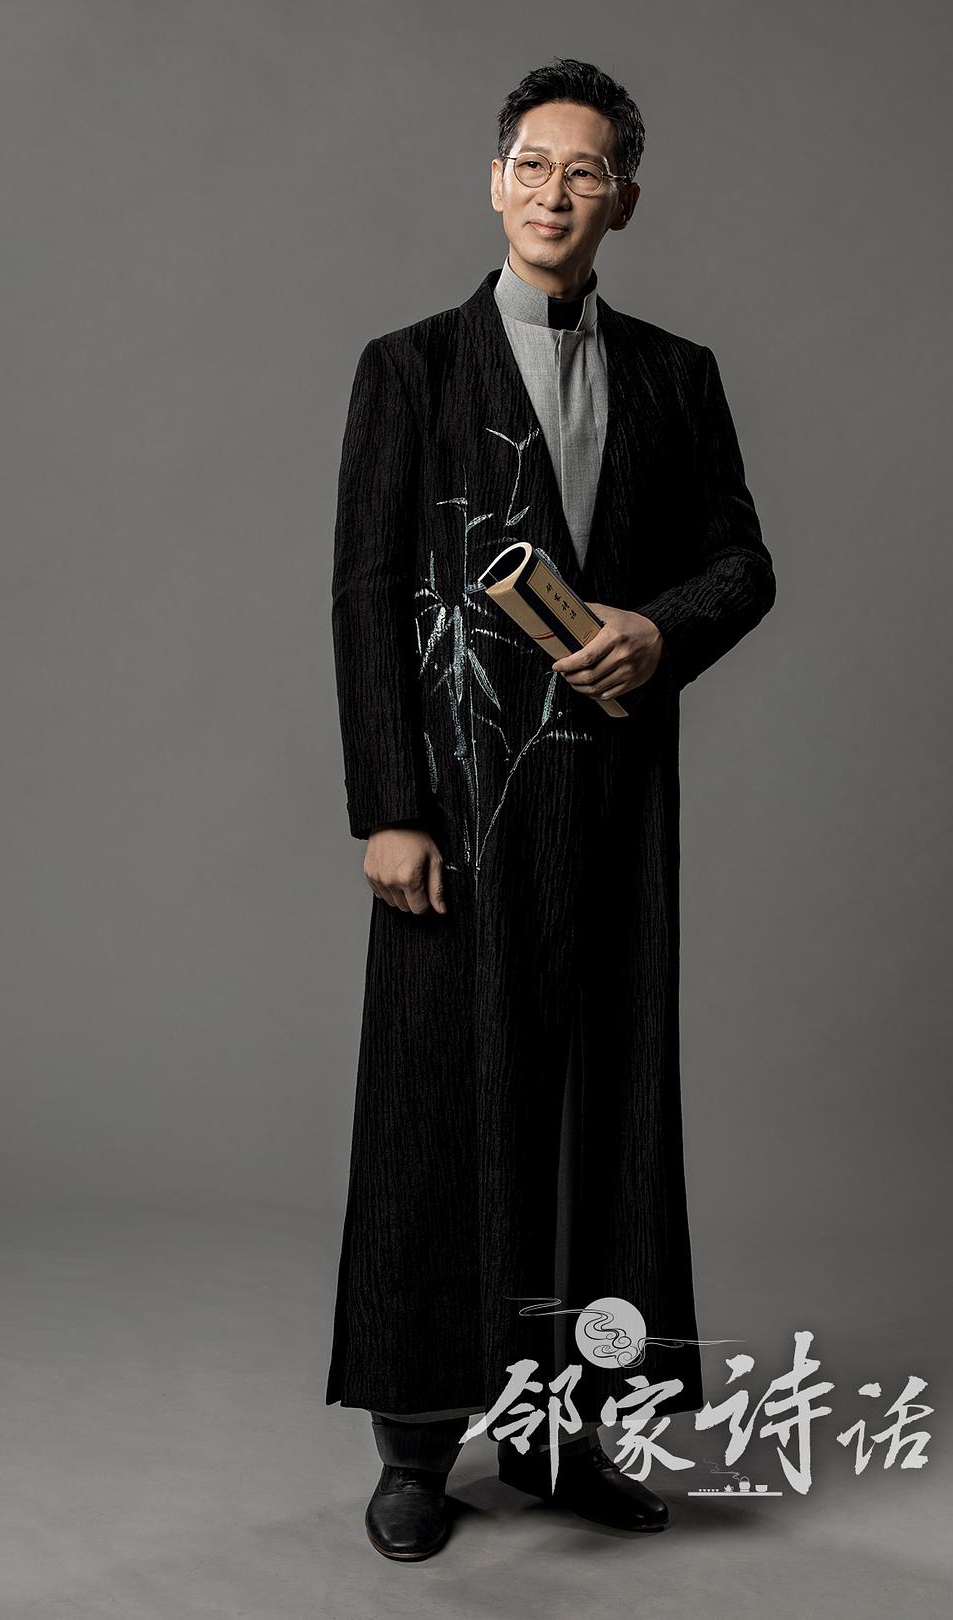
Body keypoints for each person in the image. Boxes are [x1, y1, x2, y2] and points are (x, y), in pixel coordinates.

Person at [328, 57, 777, 1561]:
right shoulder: (409, 369)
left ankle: (565, 1433)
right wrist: (387, 805)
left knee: (601, 1119)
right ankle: (414, 1445)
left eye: (584, 171)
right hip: (458, 813)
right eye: (532, 164)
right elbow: (367, 597)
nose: (553, 191)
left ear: (623, 202)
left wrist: (657, 629)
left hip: (611, 811)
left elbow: (742, 564)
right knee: (434, 1111)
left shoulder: (674, 375)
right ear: (495, 180)